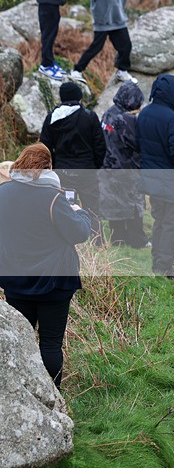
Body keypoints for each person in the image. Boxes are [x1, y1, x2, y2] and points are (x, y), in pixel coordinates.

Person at [0, 143, 92, 389]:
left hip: (15, 280)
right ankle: (54, 402)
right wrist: (80, 212)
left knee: (21, 341)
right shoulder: (54, 197)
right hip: (54, 282)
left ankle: (22, 395)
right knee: (50, 344)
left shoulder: (3, 193)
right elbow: (79, 233)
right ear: (48, 167)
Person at [137, 74, 174, 278]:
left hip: (151, 180)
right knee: (171, 225)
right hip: (171, 182)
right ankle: (165, 267)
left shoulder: (144, 114)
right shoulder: (172, 119)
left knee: (159, 222)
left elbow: (138, 146)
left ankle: (158, 263)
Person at [70, 0, 161, 84]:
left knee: (125, 46)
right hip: (103, 20)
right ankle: (77, 71)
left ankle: (122, 71)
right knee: (96, 47)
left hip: (118, 20)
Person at [40, 82, 105, 243]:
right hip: (86, 172)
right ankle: (97, 242)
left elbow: (44, 147)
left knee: (66, 206)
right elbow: (100, 146)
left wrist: (54, 165)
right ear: (79, 97)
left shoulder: (52, 117)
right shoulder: (89, 116)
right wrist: (95, 166)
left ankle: (67, 240)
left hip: (63, 172)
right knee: (92, 207)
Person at [98, 81, 149, 248]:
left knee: (114, 206)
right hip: (127, 169)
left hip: (108, 167)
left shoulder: (108, 114)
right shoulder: (127, 119)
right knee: (134, 205)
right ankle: (137, 240)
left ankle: (117, 239)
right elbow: (136, 144)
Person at [34, 0, 68, 81]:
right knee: (48, 35)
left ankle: (50, 61)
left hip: (52, 2)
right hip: (47, 2)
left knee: (51, 34)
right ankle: (46, 65)